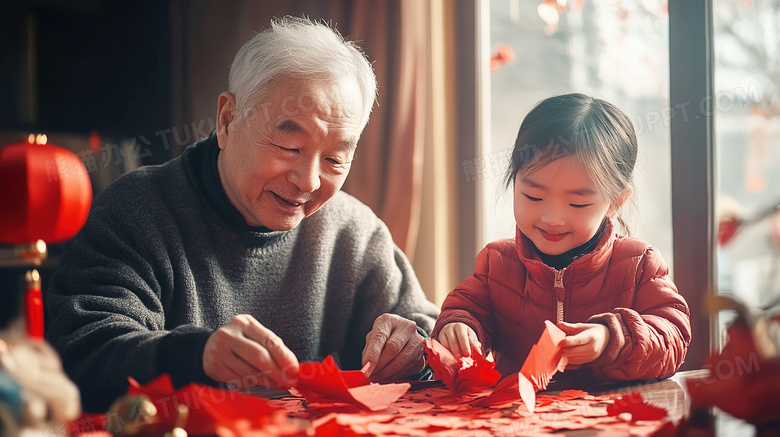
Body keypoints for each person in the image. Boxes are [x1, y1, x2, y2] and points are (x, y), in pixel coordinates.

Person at [45, 17, 439, 412]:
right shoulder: (139, 210)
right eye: (289, 146)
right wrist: (195, 356)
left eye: (335, 158)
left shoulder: (355, 233)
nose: (307, 181)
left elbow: (423, 331)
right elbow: (82, 349)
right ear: (227, 120)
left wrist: (415, 352)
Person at [432, 93, 691, 383]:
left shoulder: (639, 265)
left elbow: (673, 337)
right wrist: (457, 327)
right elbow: (465, 310)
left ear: (616, 201)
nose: (552, 218)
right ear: (514, 183)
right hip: (521, 420)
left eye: (577, 203)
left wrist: (611, 338)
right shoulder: (496, 263)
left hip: (607, 421)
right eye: (533, 196)